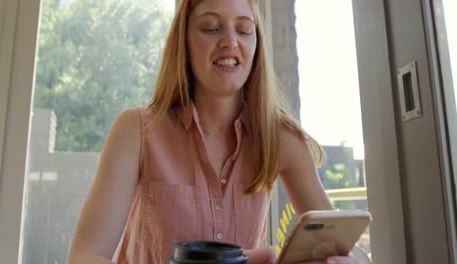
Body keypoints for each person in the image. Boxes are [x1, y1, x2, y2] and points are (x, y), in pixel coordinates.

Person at [67, 0, 369, 263]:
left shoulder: (282, 139)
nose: (229, 41)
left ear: (256, 45)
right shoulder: (136, 131)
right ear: (183, 42)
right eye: (210, 28)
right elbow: (83, 256)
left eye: (243, 30)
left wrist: (346, 260)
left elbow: (347, 247)